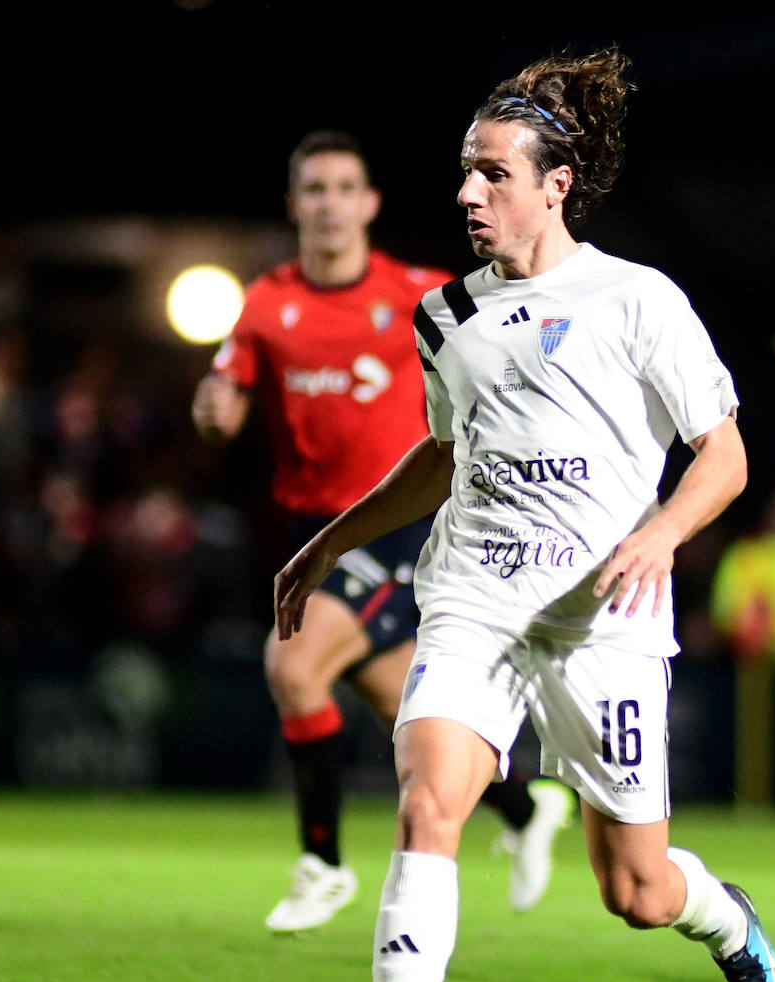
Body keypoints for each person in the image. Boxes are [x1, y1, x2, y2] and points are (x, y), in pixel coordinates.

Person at [274, 50, 775, 982]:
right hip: (471, 602)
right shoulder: (443, 314)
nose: (468, 194)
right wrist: (330, 541)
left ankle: (729, 919)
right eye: (465, 173)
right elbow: (443, 456)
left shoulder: (637, 298)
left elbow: (725, 455)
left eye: (493, 175)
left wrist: (660, 530)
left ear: (555, 185)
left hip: (601, 622)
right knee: (428, 801)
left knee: (637, 889)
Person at [192, 130, 571, 931]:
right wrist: (214, 409)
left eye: (344, 188)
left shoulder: (422, 293)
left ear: (369, 204)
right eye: (314, 190)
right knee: (406, 712)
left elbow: (516, 322)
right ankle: (522, 806)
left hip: (397, 525)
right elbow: (224, 388)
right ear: (296, 205)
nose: (329, 204)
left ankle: (322, 864)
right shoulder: (267, 303)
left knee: (293, 669)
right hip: (309, 531)